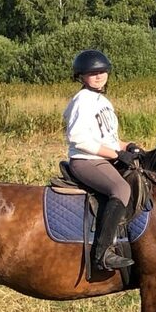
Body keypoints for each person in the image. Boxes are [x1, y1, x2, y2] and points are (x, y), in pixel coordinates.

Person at [64, 49, 139, 282]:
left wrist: (129, 147)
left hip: (103, 157)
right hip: (86, 161)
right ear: (81, 76)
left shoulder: (103, 102)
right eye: (92, 72)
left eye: (102, 71)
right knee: (121, 189)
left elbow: (109, 138)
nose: (98, 76)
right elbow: (79, 139)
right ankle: (102, 253)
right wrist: (116, 154)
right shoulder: (82, 101)